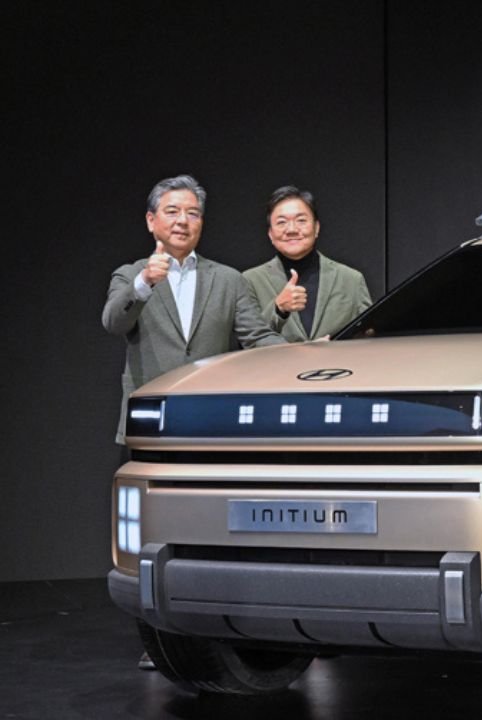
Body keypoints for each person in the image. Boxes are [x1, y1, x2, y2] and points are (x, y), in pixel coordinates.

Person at [102, 174, 285, 669]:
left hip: (212, 430)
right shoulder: (130, 274)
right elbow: (113, 321)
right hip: (153, 429)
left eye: (193, 213)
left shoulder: (228, 280)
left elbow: (255, 336)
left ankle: (221, 631)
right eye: (172, 211)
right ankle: (157, 641)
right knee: (150, 538)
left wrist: (306, 355)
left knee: (214, 530)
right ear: (151, 221)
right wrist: (145, 283)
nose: (183, 220)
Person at [243, 186, 371, 342]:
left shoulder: (351, 279)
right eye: (281, 222)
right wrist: (279, 308)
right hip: (277, 359)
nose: (291, 229)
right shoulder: (250, 281)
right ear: (270, 234)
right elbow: (249, 339)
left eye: (301, 220)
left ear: (316, 228)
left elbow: (368, 336)